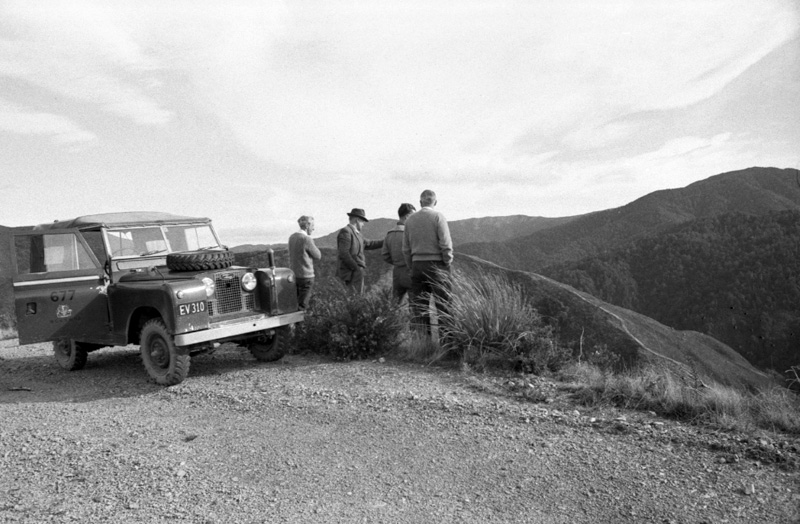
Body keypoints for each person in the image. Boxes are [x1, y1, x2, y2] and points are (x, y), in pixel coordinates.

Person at [402, 190, 453, 337]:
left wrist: (411, 266)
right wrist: (446, 262)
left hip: (417, 265)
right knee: (444, 306)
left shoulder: (410, 220)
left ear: (420, 203)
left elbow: (405, 248)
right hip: (437, 265)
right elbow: (446, 245)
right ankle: (448, 348)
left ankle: (423, 346)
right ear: (435, 202)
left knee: (420, 308)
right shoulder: (438, 217)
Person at [336, 208, 384, 294]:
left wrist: (386, 241)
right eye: (362, 221)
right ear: (357, 220)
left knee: (357, 298)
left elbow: (370, 244)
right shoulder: (346, 232)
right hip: (350, 274)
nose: (363, 224)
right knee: (354, 298)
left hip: (356, 272)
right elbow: (344, 253)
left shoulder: (357, 234)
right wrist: (356, 268)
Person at [382, 203, 416, 304]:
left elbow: (385, 255)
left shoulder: (390, 234)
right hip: (410, 273)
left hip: (397, 273)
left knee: (394, 306)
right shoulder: (410, 233)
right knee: (416, 307)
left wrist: (397, 262)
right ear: (407, 216)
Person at [288, 215, 322, 309]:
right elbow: (318, 256)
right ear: (307, 226)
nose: (313, 228)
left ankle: (293, 322)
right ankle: (300, 323)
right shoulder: (307, 239)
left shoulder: (292, 237)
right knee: (303, 304)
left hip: (294, 275)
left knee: (295, 302)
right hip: (306, 277)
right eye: (312, 226)